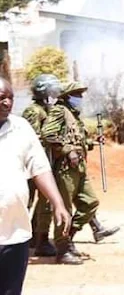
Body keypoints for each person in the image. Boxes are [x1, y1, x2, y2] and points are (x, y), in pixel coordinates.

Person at [0, 77, 71, 295]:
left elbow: (39, 167)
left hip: (15, 234)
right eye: (1, 98)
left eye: (10, 97)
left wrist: (58, 203)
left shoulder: (21, 128)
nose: (7, 103)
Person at [41, 81, 119, 265]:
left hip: (79, 167)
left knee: (90, 203)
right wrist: (68, 150)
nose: (80, 98)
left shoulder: (74, 116)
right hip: (65, 168)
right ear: (67, 97)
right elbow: (48, 134)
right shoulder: (60, 111)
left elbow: (77, 139)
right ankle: (62, 249)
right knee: (65, 209)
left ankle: (69, 237)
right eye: (77, 94)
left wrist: (92, 142)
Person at [22, 74, 62, 257]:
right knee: (26, 202)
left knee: (44, 204)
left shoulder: (46, 110)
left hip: (43, 164)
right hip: (29, 168)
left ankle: (38, 237)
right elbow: (32, 138)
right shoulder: (34, 111)